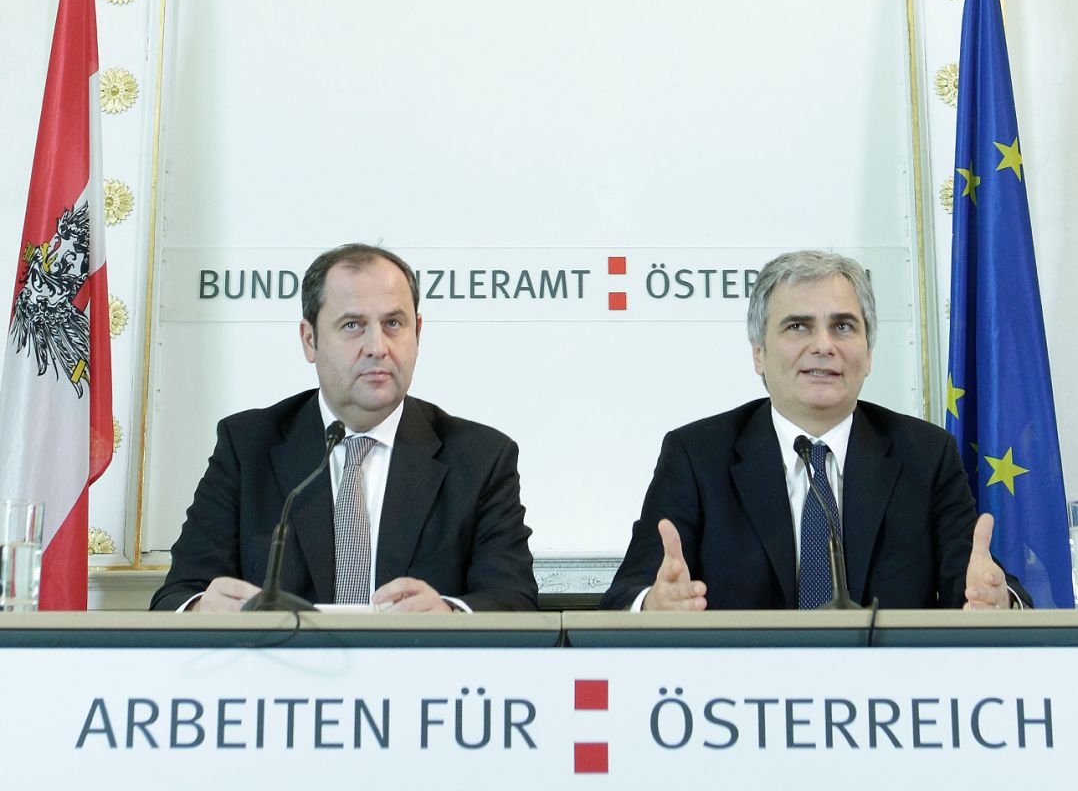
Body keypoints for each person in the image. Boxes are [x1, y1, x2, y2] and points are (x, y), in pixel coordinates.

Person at [601, 250, 1026, 612]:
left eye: (843, 326)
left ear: (869, 353)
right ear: (759, 354)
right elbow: (625, 595)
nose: (824, 345)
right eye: (798, 326)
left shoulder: (926, 456)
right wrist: (652, 606)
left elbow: (975, 590)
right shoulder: (697, 455)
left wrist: (999, 602)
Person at [151, 242, 538, 613]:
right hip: (279, 676)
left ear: (417, 332)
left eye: (393, 324)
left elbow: (514, 600)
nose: (377, 346)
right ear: (309, 339)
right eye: (353, 325)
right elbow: (177, 596)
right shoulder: (247, 447)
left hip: (419, 676)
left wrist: (450, 613)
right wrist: (202, 608)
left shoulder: (480, 458)